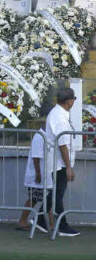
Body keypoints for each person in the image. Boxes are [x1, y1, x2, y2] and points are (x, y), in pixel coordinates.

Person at [43, 87, 80, 237]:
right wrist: (69, 167)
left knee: (56, 193)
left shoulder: (59, 113)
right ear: (69, 101)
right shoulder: (59, 116)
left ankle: (39, 218)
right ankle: (62, 226)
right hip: (58, 163)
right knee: (58, 194)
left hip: (58, 161)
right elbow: (63, 144)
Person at [17, 127, 54, 231]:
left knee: (49, 199)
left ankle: (51, 224)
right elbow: (36, 156)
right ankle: (22, 221)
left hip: (45, 173)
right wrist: (38, 173)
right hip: (39, 174)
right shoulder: (39, 137)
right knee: (34, 199)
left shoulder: (46, 135)